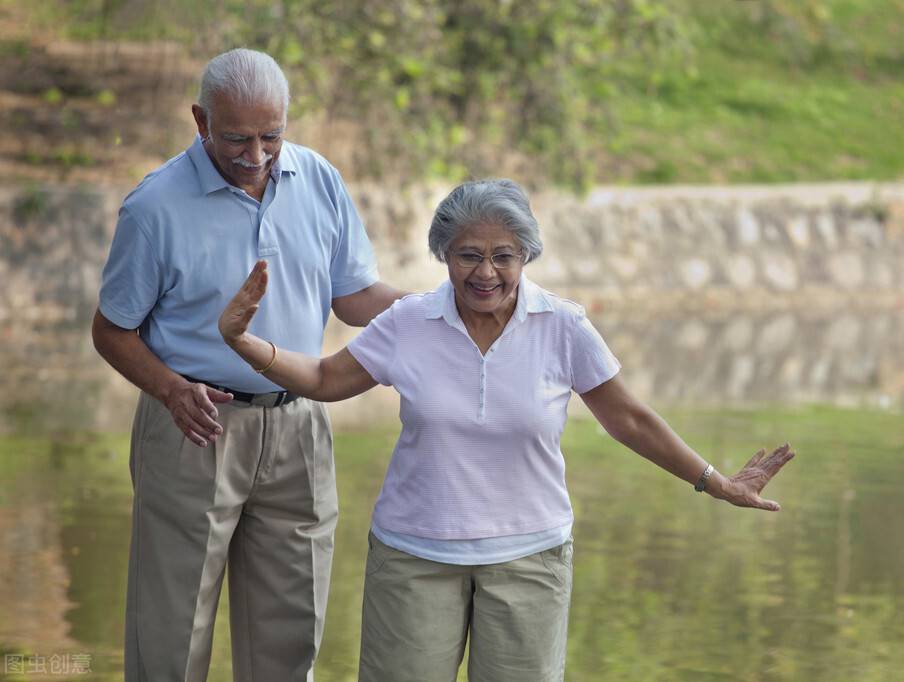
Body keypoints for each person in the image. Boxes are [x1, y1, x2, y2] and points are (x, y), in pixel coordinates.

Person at [219, 178, 795, 682]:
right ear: (443, 255)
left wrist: (714, 481)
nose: (486, 272)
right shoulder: (409, 322)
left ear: (527, 256)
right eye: (468, 255)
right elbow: (322, 378)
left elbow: (629, 419)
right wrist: (246, 343)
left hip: (530, 559)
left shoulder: (562, 325)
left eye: (504, 256)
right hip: (414, 555)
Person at [92, 48, 404, 682]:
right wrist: (170, 389)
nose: (257, 155)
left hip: (299, 428)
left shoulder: (319, 180)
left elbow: (352, 297)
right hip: (193, 427)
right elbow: (111, 330)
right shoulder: (153, 208)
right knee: (171, 638)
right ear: (200, 120)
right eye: (237, 138)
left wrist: (438, 307)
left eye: (271, 136)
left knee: (291, 641)